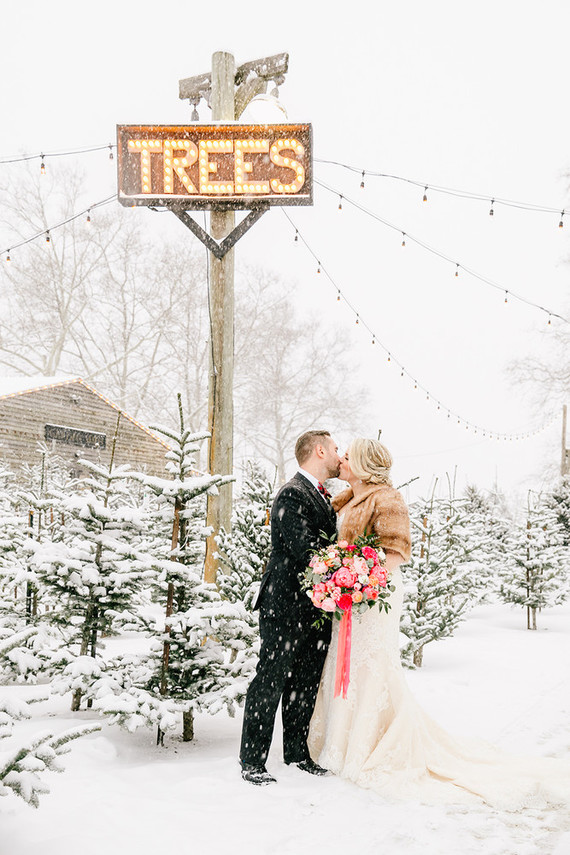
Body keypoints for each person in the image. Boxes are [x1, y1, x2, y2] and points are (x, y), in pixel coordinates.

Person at [308, 437, 570, 811]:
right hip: (348, 596)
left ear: (364, 464)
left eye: (348, 457)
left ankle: (369, 744)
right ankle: (340, 741)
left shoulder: (387, 499)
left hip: (376, 594)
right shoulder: (344, 499)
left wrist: (361, 578)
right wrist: (338, 577)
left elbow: (396, 553)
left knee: (371, 664)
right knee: (345, 663)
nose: (342, 461)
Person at [239, 429, 341, 785]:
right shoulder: (292, 493)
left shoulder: (323, 495)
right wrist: (349, 567)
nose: (339, 455)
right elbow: (306, 550)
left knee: (305, 683)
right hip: (284, 606)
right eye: (335, 448)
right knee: (270, 681)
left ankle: (297, 754)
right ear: (319, 451)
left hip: (316, 608)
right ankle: (252, 761)